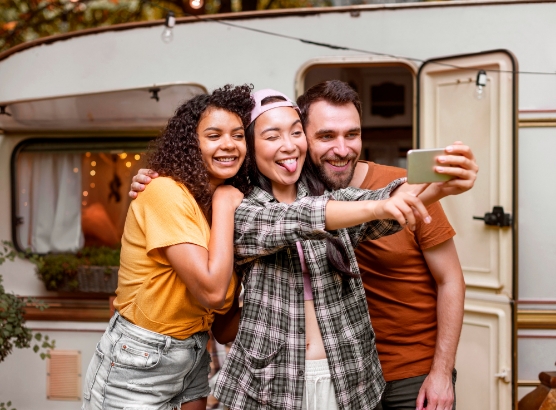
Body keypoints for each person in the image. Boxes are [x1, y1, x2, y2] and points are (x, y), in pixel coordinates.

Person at [129, 88, 477, 410]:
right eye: (272, 135)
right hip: (272, 386)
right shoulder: (240, 209)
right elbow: (295, 219)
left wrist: (440, 187)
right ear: (250, 148)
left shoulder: (330, 199)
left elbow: (368, 205)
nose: (289, 144)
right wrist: (381, 206)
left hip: (348, 380)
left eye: (296, 132)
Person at [295, 80, 476, 410]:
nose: (342, 148)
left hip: (413, 374)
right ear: (301, 138)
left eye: (352, 134)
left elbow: (451, 280)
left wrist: (440, 372)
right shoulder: (297, 202)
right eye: (326, 136)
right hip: (346, 375)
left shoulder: (405, 188)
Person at [82, 84, 254, 410]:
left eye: (238, 135)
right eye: (214, 135)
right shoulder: (165, 191)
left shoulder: (219, 206)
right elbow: (213, 293)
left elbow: (224, 327)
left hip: (192, 354)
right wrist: (225, 203)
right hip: (139, 358)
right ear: (191, 144)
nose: (229, 145)